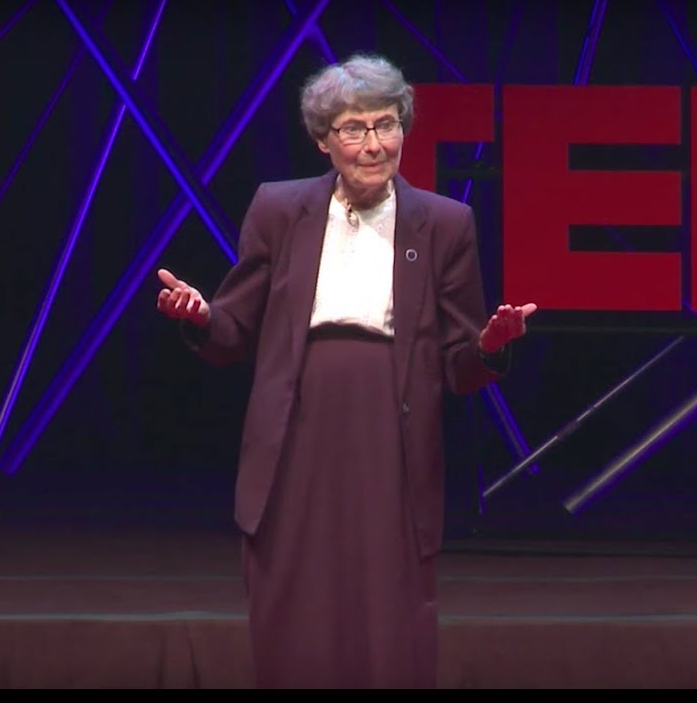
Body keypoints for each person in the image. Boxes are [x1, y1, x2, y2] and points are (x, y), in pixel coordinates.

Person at [155, 52, 536, 689]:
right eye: (354, 129)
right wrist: (200, 317)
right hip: (297, 421)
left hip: (391, 425)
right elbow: (233, 330)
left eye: (386, 124)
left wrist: (491, 346)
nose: (373, 144)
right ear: (323, 139)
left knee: (387, 598)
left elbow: (458, 366)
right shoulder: (279, 209)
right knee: (293, 591)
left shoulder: (444, 223)